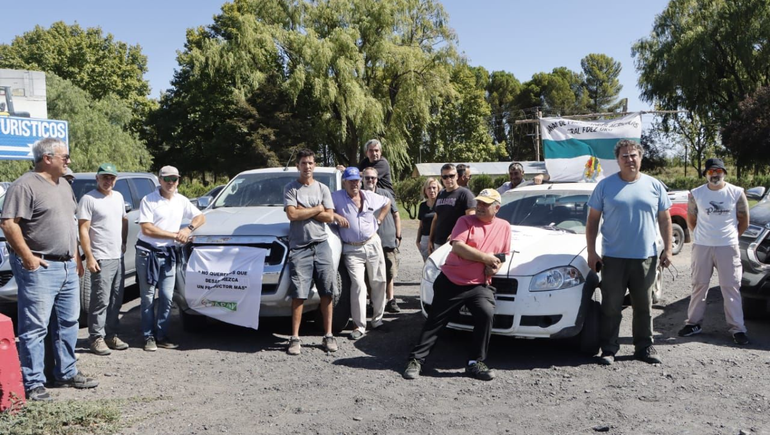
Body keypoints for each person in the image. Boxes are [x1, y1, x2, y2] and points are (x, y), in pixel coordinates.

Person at [0, 137, 96, 401]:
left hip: (66, 265)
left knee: (68, 323)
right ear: (47, 158)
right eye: (65, 157)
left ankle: (65, 372)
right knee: (35, 327)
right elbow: (9, 223)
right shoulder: (25, 185)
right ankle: (33, 382)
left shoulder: (64, 184)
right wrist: (28, 256)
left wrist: (76, 256)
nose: (69, 161)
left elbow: (70, 222)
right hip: (41, 267)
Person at [403, 188, 511, 381]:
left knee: (486, 313)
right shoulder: (465, 221)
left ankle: (475, 363)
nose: (479, 207)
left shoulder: (504, 227)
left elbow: (501, 256)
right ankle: (416, 360)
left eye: (485, 204)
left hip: (479, 285)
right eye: (479, 203)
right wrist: (486, 258)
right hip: (452, 281)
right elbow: (459, 247)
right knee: (435, 322)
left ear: (497, 208)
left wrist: (494, 267)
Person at [586, 139, 673, 366]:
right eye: (624, 156)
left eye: (633, 155)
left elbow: (665, 220)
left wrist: (668, 249)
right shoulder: (605, 186)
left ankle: (644, 347)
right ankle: (609, 348)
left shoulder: (654, 186)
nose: (629, 159)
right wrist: (592, 252)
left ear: (641, 158)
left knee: (644, 306)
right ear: (618, 161)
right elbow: (593, 220)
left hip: (646, 257)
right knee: (611, 306)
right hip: (613, 258)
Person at [679, 158, 750, 345]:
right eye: (711, 171)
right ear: (706, 174)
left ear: (724, 173)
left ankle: (738, 329)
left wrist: (730, 237)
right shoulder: (696, 194)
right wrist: (705, 237)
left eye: (719, 171)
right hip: (702, 245)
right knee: (699, 285)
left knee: (731, 287)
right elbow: (692, 219)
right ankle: (693, 323)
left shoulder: (736, 193)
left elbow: (743, 219)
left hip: (728, 246)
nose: (715, 174)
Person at [137, 165, 205, 352]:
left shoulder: (181, 200)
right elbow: (147, 228)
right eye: (166, 179)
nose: (170, 183)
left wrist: (187, 229)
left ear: (178, 180)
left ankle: (161, 335)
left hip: (168, 254)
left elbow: (200, 216)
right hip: (147, 254)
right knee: (148, 298)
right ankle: (148, 336)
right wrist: (175, 235)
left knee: (167, 297)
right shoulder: (149, 200)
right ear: (159, 180)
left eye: (174, 179)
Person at [284, 149, 339, 355]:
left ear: (314, 165)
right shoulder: (291, 188)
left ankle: (328, 335)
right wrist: (317, 209)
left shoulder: (323, 188)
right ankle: (295, 338)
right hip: (299, 248)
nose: (307, 166)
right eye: (303, 163)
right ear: (298, 166)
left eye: (310, 163)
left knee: (327, 290)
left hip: (321, 245)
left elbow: (329, 217)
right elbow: (292, 215)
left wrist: (306, 211)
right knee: (299, 293)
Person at [331, 167, 390, 339]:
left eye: (357, 180)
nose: (354, 184)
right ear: (344, 182)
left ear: (361, 180)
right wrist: (336, 216)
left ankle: (377, 320)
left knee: (379, 281)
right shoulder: (337, 197)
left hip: (372, 243)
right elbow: (324, 209)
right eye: (350, 181)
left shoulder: (369, 195)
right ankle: (359, 326)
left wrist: (379, 220)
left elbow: (387, 202)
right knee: (358, 285)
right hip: (351, 248)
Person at [78, 163, 130, 355]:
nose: (108, 181)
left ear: (115, 179)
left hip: (117, 256)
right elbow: (83, 229)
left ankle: (110, 334)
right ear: (97, 178)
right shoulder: (89, 199)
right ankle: (96, 338)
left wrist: (123, 241)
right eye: (104, 177)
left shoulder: (118, 197)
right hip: (101, 256)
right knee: (100, 300)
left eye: (111, 178)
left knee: (116, 299)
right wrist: (89, 257)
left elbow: (124, 220)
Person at [362, 167, 402, 313]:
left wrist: (398, 235)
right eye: (367, 178)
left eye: (373, 178)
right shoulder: (359, 195)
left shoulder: (386, 194)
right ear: (363, 179)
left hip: (387, 239)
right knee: (369, 273)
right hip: (367, 241)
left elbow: (396, 214)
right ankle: (373, 302)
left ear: (377, 179)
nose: (370, 180)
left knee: (389, 271)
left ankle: (390, 300)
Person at [429, 163, 475, 254]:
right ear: (441, 178)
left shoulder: (465, 194)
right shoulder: (441, 194)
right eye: (445, 176)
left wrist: (455, 234)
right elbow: (436, 218)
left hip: (456, 243)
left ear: (457, 176)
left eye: (451, 176)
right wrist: (430, 240)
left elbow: (472, 220)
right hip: (438, 243)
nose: (448, 179)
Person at [416, 178, 439, 261]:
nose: (431, 190)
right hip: (425, 239)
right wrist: (418, 241)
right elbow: (421, 225)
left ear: (438, 189)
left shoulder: (441, 204)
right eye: (429, 188)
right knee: (427, 265)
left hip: (438, 239)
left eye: (434, 187)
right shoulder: (422, 206)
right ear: (425, 190)